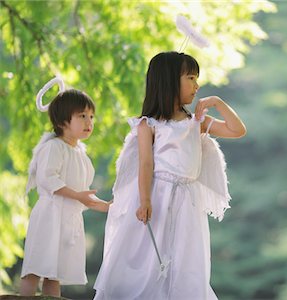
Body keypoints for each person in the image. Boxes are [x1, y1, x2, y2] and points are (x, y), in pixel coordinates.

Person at [94, 51, 246, 299]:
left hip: (187, 201)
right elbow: (145, 164)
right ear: (169, 81)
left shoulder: (197, 122)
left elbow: (237, 130)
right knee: (148, 253)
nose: (197, 85)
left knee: (185, 255)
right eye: (191, 78)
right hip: (157, 196)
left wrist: (217, 102)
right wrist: (144, 200)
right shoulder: (149, 124)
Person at [20, 85, 111, 297]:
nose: (89, 122)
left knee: (55, 273)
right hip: (50, 216)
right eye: (82, 116)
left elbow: (84, 194)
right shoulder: (54, 147)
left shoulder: (81, 155)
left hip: (68, 220)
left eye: (91, 116)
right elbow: (48, 178)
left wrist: (108, 206)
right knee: (35, 267)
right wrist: (78, 196)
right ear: (62, 122)